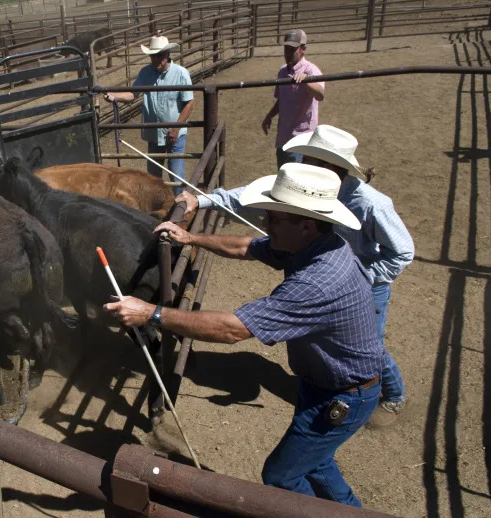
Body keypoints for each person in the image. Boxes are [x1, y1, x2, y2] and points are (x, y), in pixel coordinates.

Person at [105, 163, 384, 507]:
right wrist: (192, 238)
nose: (266, 223)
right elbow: (247, 247)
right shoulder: (316, 244)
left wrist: (151, 313)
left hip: (343, 394)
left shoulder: (318, 281)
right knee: (316, 461)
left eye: (274, 218)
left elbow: (232, 329)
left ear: (307, 225)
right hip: (329, 383)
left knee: (281, 476)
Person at [177, 125, 414, 426]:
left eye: (308, 159)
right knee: (337, 340)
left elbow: (403, 251)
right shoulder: (305, 188)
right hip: (321, 276)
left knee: (367, 345)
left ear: (328, 166)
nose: (300, 164)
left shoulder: (370, 204)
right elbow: (250, 196)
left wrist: (363, 277)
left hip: (363, 282)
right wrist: (205, 200)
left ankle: (393, 396)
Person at [103, 35, 194, 193]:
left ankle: (181, 207)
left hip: (175, 134)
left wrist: (176, 128)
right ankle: (157, 207)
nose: (155, 60)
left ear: (167, 55)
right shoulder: (145, 73)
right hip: (154, 133)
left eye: (159, 55)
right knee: (153, 177)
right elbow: (133, 94)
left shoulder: (181, 73)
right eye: (153, 56)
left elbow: (189, 103)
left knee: (176, 176)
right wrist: (115, 96)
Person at [262, 29, 325, 168]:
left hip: (302, 138)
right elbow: (282, 99)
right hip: (283, 136)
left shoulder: (311, 70)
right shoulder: (283, 71)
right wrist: (269, 116)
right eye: (286, 49)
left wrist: (306, 81)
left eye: (292, 49)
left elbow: (320, 94)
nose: (288, 53)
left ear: (303, 49)